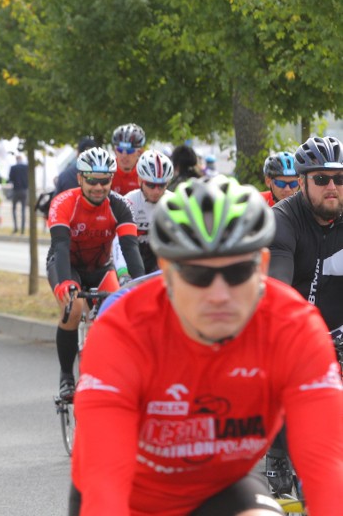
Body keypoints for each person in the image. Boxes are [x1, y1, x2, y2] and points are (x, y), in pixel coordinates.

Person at [69, 174, 343, 516]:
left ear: (262, 266)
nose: (218, 294)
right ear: (167, 271)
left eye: (236, 272)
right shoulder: (124, 331)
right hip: (128, 495)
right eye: (198, 275)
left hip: (220, 488)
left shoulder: (294, 329)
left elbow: (327, 473)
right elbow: (104, 483)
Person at [266, 135, 343, 494]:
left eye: (339, 179)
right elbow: (278, 288)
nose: (332, 187)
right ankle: (278, 452)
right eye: (322, 179)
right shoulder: (283, 219)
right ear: (301, 182)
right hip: (293, 320)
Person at [47, 147, 145, 402]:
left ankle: (109, 374)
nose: (98, 187)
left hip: (100, 268)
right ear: (80, 178)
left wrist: (141, 284)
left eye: (104, 181)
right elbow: (60, 246)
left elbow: (130, 248)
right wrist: (66, 282)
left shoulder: (120, 206)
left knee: (117, 314)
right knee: (74, 308)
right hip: (66, 265)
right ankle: (67, 376)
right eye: (91, 180)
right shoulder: (65, 202)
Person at [113, 150, 175, 276]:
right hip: (131, 256)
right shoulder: (129, 201)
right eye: (151, 185)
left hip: (160, 259)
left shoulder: (174, 203)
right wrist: (122, 272)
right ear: (140, 181)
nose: (156, 191)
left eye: (161, 185)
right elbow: (117, 241)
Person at [110, 123, 146, 195]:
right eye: (120, 150)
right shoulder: (107, 171)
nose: (124, 155)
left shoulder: (145, 173)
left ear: (140, 152)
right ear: (115, 150)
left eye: (130, 150)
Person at [8, 154, 28, 235]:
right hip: (24, 190)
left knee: (14, 209)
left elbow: (10, 179)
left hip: (16, 190)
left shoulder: (13, 168)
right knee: (23, 210)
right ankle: (22, 230)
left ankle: (16, 227)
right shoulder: (26, 167)